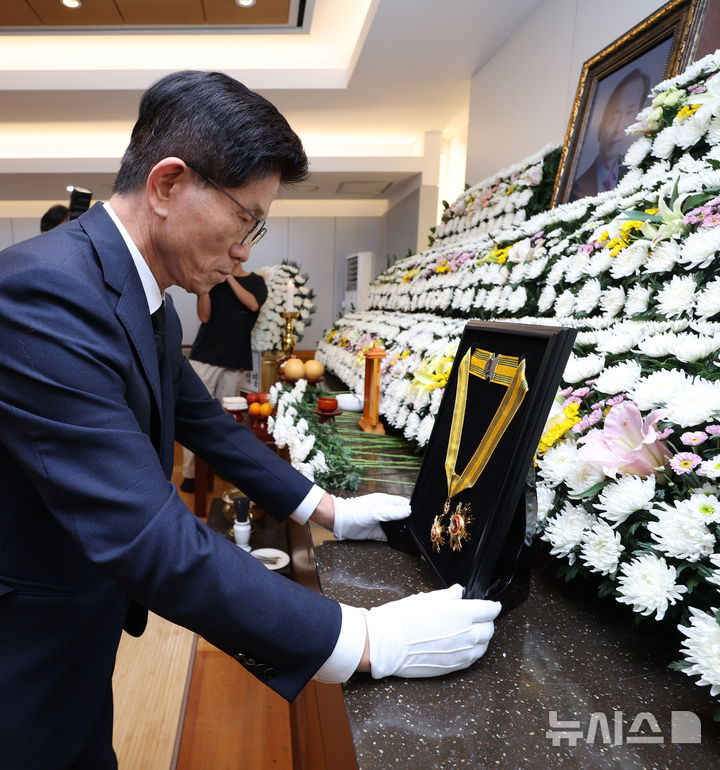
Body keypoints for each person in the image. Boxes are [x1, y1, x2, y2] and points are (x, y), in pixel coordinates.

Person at [0, 70, 501, 769]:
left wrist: (330, 509)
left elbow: (202, 422)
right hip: (25, 630)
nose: (247, 248)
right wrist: (362, 638)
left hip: (78, 617)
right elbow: (146, 532)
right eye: (246, 218)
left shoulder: (140, 288)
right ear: (169, 185)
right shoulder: (44, 291)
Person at [180, 262, 267, 492]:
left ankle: (221, 467)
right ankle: (191, 474)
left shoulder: (256, 282)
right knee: (195, 417)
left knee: (227, 420)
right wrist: (209, 282)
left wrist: (228, 277)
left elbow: (252, 304)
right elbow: (204, 316)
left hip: (234, 359)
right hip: (205, 357)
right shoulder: (212, 279)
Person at [570, 68, 650, 200]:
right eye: (614, 116)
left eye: (630, 113)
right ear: (600, 126)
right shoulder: (576, 189)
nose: (618, 127)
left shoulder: (640, 175)